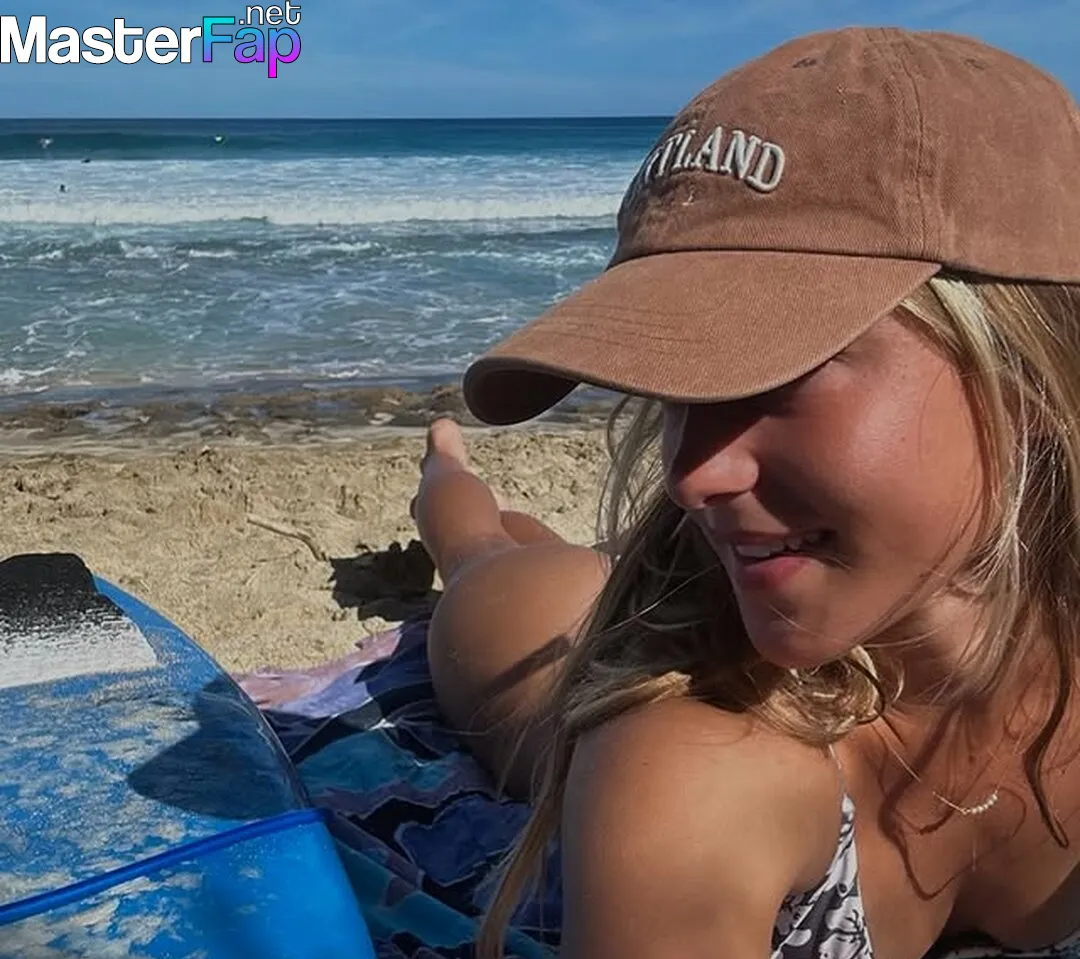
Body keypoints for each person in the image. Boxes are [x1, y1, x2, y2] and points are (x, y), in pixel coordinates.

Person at [413, 27, 1080, 959]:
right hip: (555, 636)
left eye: (781, 373)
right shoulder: (693, 764)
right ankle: (445, 467)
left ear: (1028, 388)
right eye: (677, 387)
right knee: (484, 559)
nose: (690, 477)